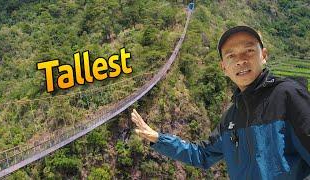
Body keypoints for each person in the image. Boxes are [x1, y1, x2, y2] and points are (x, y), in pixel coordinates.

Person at [131, 25, 310, 180]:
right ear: (223, 67)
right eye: (231, 55)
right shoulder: (230, 118)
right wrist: (158, 138)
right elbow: (202, 155)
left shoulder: (287, 95)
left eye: (249, 50)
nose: (240, 60)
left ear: (263, 55)